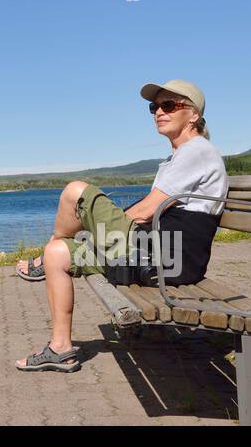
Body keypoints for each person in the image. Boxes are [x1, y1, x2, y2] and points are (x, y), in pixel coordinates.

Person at [13, 79, 229, 371]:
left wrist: (94, 235)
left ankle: (40, 258)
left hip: (168, 259)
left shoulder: (197, 150)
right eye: (154, 107)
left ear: (193, 115)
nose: (159, 112)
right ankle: (60, 348)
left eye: (169, 105)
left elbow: (148, 211)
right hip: (155, 257)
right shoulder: (179, 156)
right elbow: (151, 211)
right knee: (57, 253)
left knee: (75, 191)